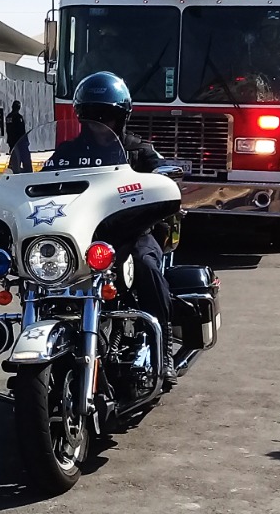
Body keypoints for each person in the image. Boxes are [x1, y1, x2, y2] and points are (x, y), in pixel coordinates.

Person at [72, 71, 177, 383]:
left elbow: (162, 175)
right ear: (82, 117)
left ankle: (164, 347)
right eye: (93, 116)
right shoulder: (67, 154)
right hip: (83, 239)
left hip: (132, 237)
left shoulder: (139, 152)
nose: (101, 123)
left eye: (108, 116)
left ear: (123, 117)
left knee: (146, 266)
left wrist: (162, 176)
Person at [6, 99, 31, 174]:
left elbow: (8, 129)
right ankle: (26, 171)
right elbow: (21, 130)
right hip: (19, 141)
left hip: (12, 141)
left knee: (15, 157)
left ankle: (14, 168)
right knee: (24, 157)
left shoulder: (8, 117)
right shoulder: (18, 117)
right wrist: (25, 140)